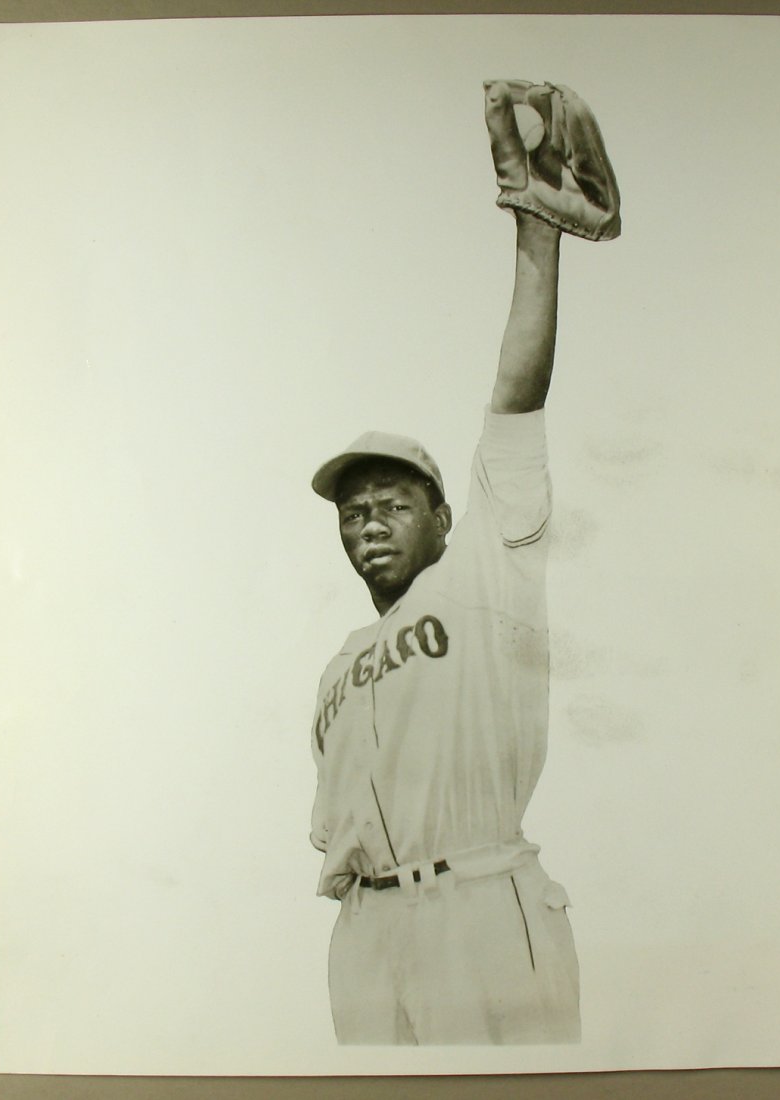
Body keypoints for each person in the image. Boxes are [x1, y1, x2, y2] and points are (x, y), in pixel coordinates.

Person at [308, 79, 621, 1045]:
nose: (369, 522)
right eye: (353, 510)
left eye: (394, 504)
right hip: (365, 932)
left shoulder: (487, 565)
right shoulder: (334, 668)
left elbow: (514, 399)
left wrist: (536, 235)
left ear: (444, 520)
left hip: (480, 906)